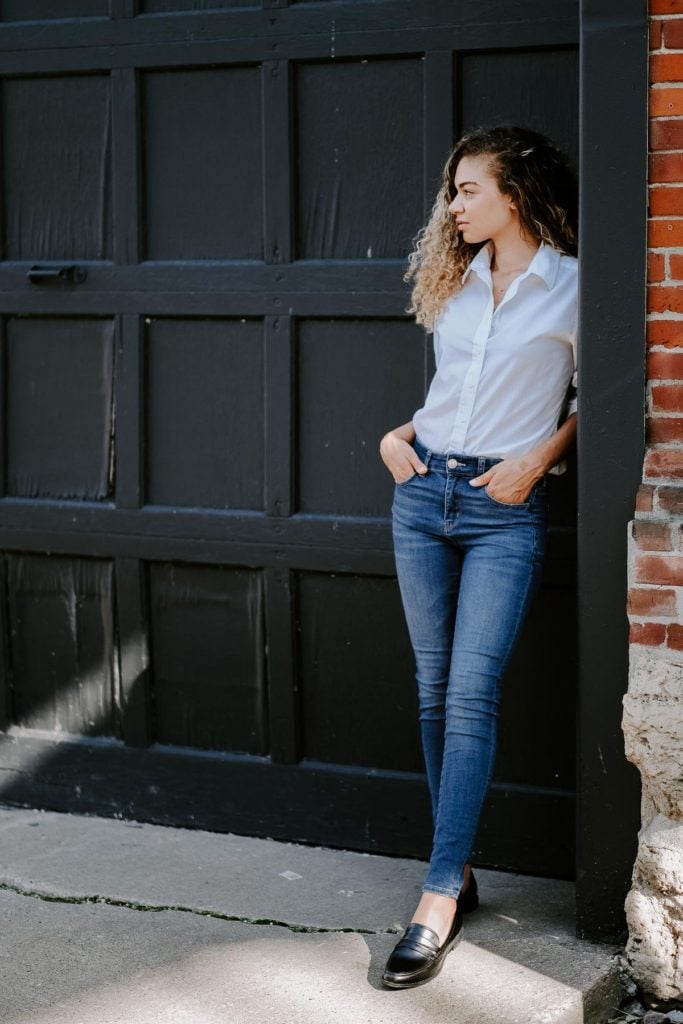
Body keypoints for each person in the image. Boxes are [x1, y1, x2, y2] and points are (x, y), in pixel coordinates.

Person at [378, 124, 578, 990]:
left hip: (503, 510)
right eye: (452, 191)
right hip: (422, 495)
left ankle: (434, 898)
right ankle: (454, 869)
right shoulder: (453, 281)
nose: (452, 205)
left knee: (469, 694)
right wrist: (395, 437)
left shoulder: (572, 289)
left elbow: (612, 393)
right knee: (431, 689)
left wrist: (540, 457)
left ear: (515, 194)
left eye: (467, 189)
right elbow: (449, 392)